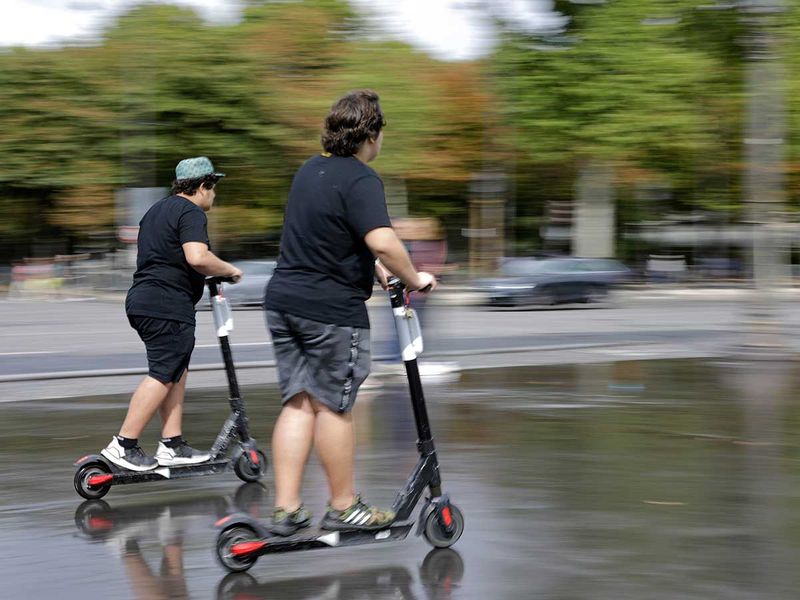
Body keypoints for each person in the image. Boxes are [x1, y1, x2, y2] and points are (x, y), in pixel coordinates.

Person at [264, 89, 436, 536]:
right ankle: (343, 506)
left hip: (284, 302)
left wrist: (376, 270)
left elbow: (328, 236)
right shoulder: (362, 179)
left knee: (299, 403)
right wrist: (414, 277)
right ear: (371, 135)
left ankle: (286, 509)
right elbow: (381, 239)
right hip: (330, 312)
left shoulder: (309, 171)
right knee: (335, 407)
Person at [99, 157, 243, 471]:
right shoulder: (191, 211)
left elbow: (167, 254)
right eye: (213, 187)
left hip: (144, 299)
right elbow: (197, 256)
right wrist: (230, 270)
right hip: (166, 303)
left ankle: (172, 444)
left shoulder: (156, 211)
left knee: (175, 369)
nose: (214, 195)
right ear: (203, 186)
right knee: (164, 372)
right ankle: (123, 444)